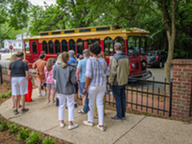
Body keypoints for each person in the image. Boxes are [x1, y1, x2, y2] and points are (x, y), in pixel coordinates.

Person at [83, 43, 108, 131]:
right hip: (102, 85)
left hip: (92, 86)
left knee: (91, 103)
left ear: (91, 52)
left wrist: (85, 87)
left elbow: (88, 75)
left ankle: (90, 121)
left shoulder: (90, 60)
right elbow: (107, 73)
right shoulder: (103, 61)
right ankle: (101, 124)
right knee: (100, 104)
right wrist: (105, 82)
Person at [53, 52, 78, 130]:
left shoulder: (56, 67)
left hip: (60, 89)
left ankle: (61, 122)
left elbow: (54, 77)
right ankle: (70, 123)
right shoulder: (71, 68)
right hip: (69, 89)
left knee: (61, 105)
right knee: (70, 106)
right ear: (68, 58)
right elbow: (74, 81)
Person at [108, 43, 130, 121]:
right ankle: (123, 114)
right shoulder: (126, 57)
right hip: (124, 80)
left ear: (115, 49)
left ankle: (119, 115)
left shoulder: (115, 58)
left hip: (117, 82)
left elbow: (113, 71)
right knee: (123, 98)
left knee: (117, 99)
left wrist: (110, 81)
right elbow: (128, 69)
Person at [94, 52, 108, 118]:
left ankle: (97, 113)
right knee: (103, 98)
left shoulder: (96, 64)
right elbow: (107, 74)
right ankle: (103, 111)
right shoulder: (105, 64)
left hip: (96, 84)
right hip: (103, 83)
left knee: (96, 99)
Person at [76, 49, 90, 114]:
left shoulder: (81, 62)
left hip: (82, 79)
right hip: (90, 79)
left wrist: (77, 79)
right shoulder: (91, 61)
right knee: (89, 95)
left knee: (84, 95)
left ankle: (83, 109)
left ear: (83, 54)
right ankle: (89, 108)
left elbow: (77, 72)